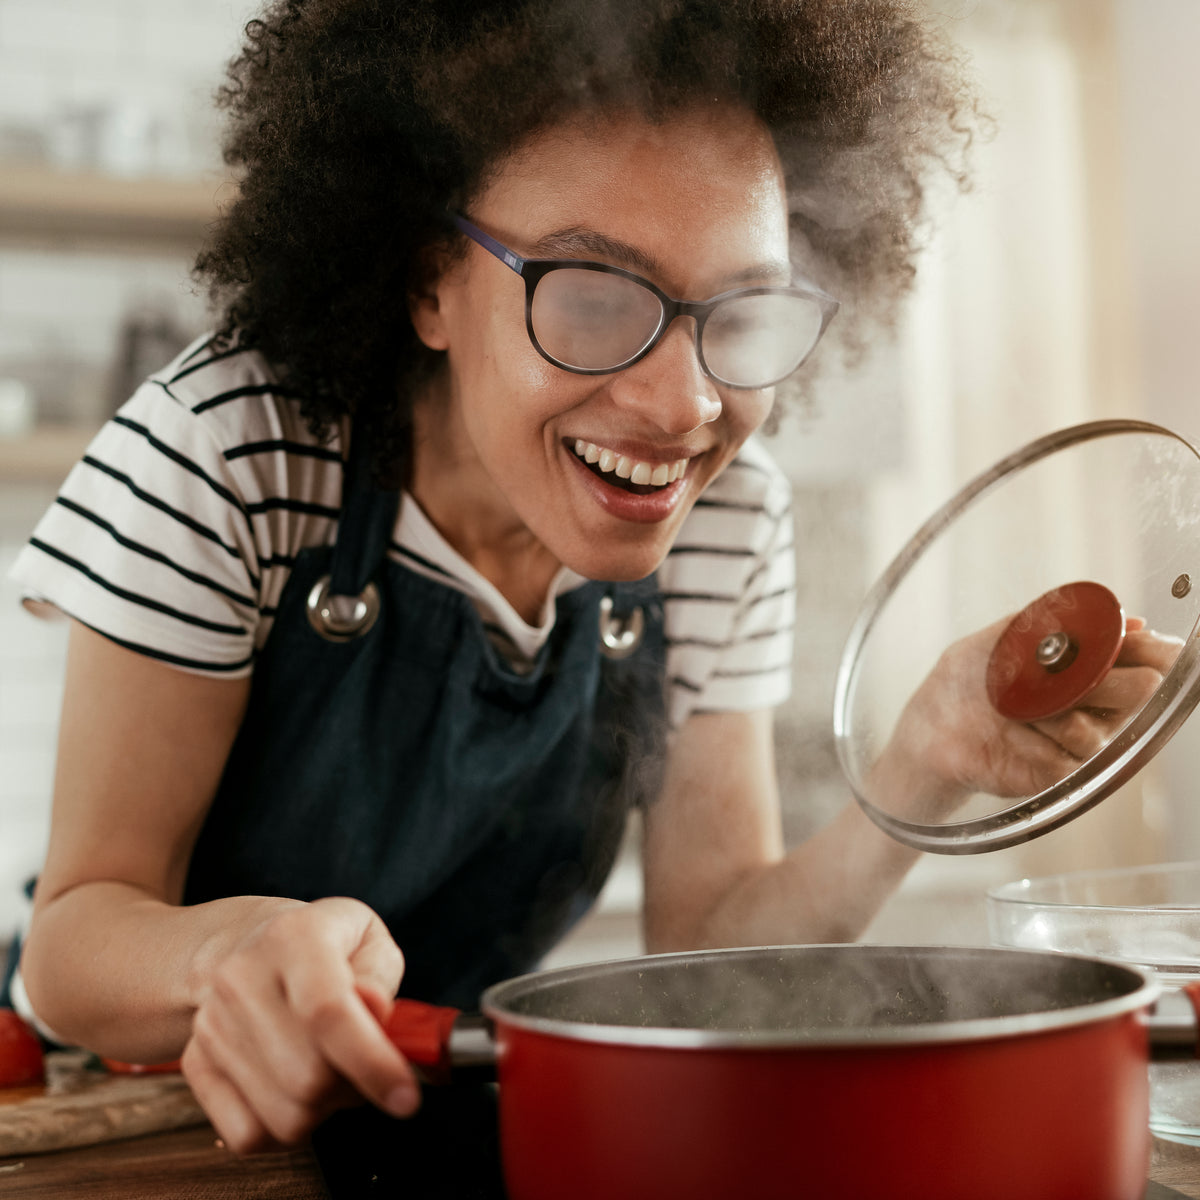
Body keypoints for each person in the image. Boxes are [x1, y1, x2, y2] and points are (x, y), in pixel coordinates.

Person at [6, 0, 1160, 1161]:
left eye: (742, 311)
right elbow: (75, 937)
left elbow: (711, 938)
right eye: (596, 298)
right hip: (143, 1129)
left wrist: (925, 763)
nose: (685, 408)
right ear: (430, 285)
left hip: (432, 1109)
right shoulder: (235, 448)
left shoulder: (730, 519)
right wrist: (228, 955)